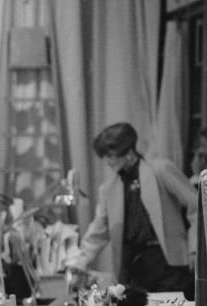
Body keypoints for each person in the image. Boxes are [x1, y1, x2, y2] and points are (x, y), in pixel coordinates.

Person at [67, 122, 197, 296]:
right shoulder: (109, 189)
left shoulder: (161, 170)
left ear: (128, 153)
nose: (108, 161)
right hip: (134, 267)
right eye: (105, 156)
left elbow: (196, 205)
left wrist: (195, 248)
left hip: (168, 264)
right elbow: (98, 231)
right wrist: (79, 264)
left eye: (111, 155)